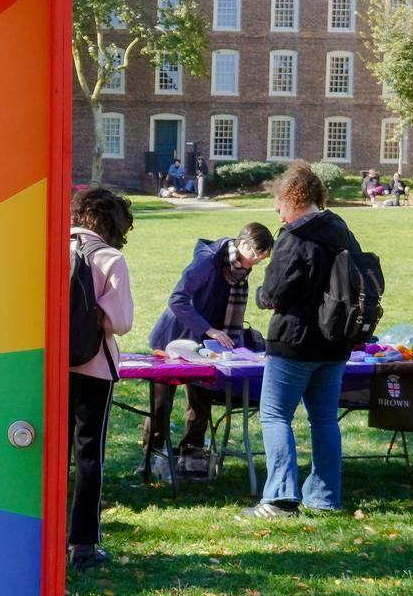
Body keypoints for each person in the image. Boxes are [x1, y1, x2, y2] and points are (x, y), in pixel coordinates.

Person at [248, 163, 363, 517]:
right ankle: (325, 497)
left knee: (274, 415)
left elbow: (274, 292)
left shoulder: (294, 237)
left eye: (278, 203)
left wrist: (260, 295)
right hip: (336, 340)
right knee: (324, 419)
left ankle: (281, 498)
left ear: (291, 198)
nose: (276, 211)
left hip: (295, 340)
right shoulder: (342, 231)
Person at [145, 222, 273, 481]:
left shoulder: (238, 268)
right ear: (244, 245)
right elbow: (177, 300)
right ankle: (151, 459)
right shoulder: (206, 262)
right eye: (257, 255)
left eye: (263, 257)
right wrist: (210, 329)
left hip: (205, 348)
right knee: (161, 406)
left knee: (201, 404)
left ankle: (190, 460)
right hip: (172, 340)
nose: (257, 262)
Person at [68, 187, 135, 569]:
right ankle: (83, 543)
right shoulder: (109, 259)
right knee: (88, 455)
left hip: (49, 367)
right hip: (93, 367)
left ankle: (44, 534)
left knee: (49, 456)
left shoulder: (47, 247)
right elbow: (120, 323)